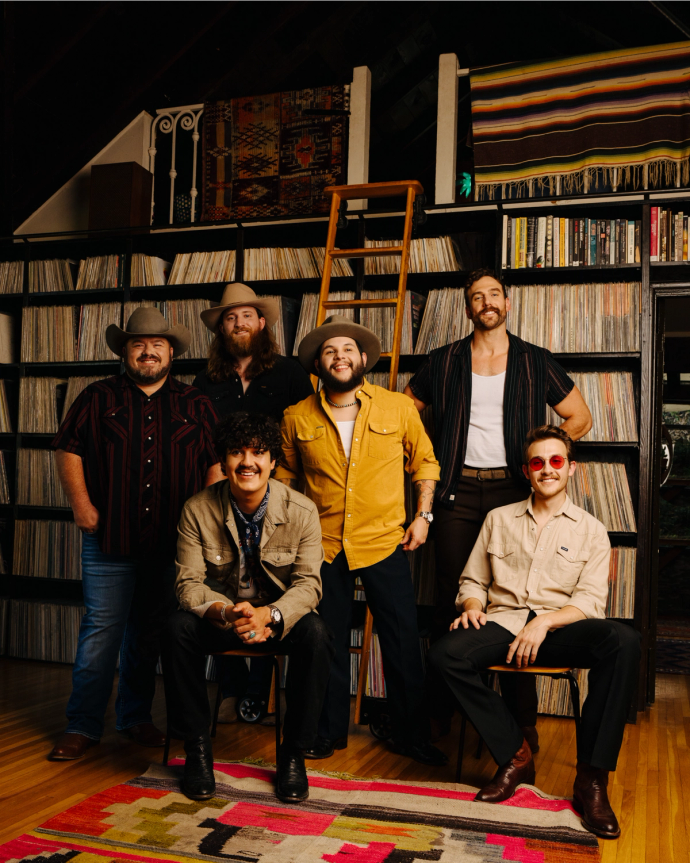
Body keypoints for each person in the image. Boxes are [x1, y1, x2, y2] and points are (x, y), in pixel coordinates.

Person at [404, 267, 592, 751]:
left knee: (517, 600)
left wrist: (551, 459)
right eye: (476, 296)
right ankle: (444, 714)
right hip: (456, 491)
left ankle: (520, 723)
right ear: (468, 308)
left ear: (507, 304)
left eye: (493, 294)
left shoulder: (534, 360)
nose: (485, 302)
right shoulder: (443, 361)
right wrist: (426, 456)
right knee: (454, 598)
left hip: (516, 493)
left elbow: (580, 416)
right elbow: (404, 415)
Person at [426, 425, 640, 840]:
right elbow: (472, 581)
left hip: (558, 629)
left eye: (556, 461)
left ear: (571, 469)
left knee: (624, 641)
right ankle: (515, 753)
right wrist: (471, 606)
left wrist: (544, 622)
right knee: (443, 654)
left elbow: (591, 602)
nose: (547, 469)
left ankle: (591, 781)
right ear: (527, 471)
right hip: (503, 623)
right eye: (538, 462)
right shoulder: (498, 519)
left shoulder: (591, 530)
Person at [48, 307, 222, 761]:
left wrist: (205, 526)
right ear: (125, 351)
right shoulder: (96, 397)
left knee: (150, 633)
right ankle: (82, 725)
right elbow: (68, 450)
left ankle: (134, 718)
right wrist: (81, 506)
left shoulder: (196, 404)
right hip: (109, 540)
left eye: (157, 344)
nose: (148, 351)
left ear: (171, 352)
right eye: (138, 344)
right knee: (100, 632)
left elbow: (215, 467)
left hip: (173, 544)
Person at [275, 315, 446, 766]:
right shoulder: (295, 417)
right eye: (330, 351)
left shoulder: (397, 408)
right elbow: (284, 479)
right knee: (322, 640)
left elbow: (425, 463)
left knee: (402, 640)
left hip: (385, 541)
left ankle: (410, 734)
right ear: (318, 363)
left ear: (363, 359)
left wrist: (424, 516)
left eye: (348, 349)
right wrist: (289, 533)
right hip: (323, 545)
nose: (340, 357)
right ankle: (327, 732)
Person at [162, 412, 333, 803]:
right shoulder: (197, 509)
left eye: (258, 453)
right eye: (236, 453)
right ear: (223, 462)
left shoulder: (303, 510)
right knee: (175, 629)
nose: (247, 462)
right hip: (223, 617)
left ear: (273, 461)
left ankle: (293, 755)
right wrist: (227, 613)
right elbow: (188, 583)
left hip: (277, 619)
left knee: (319, 635)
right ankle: (197, 750)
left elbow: (308, 585)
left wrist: (269, 616)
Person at [194, 282, 315, 723]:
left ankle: (257, 693)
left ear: (261, 323)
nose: (238, 323)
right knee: (223, 585)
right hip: (217, 499)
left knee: (266, 584)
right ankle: (230, 686)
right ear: (221, 328)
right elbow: (195, 438)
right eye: (230, 317)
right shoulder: (206, 379)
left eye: (246, 315)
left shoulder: (289, 372)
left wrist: (280, 490)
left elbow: (305, 435)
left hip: (275, 500)